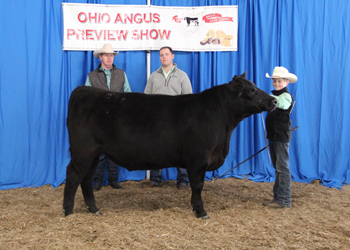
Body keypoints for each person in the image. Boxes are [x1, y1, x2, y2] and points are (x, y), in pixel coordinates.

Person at [143, 46, 193, 189]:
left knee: (180, 149)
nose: (163, 57)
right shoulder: (153, 76)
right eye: (161, 55)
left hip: (177, 119)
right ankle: (155, 179)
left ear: (172, 56)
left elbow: (188, 99)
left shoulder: (182, 75)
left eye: (166, 54)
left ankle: (183, 180)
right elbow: (146, 98)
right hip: (157, 120)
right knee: (157, 148)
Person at [85, 43, 132, 191]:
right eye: (107, 55)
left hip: (117, 120)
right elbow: (87, 98)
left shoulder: (121, 74)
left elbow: (128, 94)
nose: (110, 58)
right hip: (99, 120)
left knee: (115, 150)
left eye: (111, 55)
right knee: (98, 151)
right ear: (101, 57)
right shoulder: (92, 76)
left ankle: (113, 180)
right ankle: (97, 182)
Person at [263, 66, 297, 208]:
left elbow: (281, 104)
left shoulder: (285, 96)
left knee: (282, 168)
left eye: (279, 81)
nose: (276, 83)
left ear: (286, 82)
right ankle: (278, 198)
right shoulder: (276, 96)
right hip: (275, 137)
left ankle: (284, 201)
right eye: (274, 81)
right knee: (279, 168)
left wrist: (265, 97)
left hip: (281, 137)